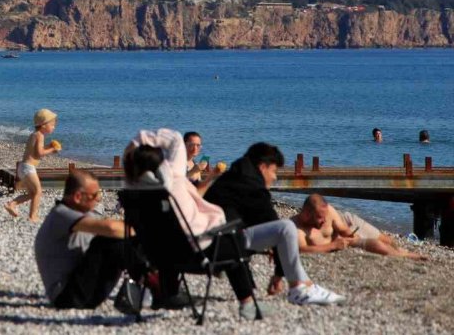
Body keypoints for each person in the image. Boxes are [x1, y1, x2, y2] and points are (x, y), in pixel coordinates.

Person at [130, 131, 344, 317]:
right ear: (262, 167)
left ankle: (253, 302)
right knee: (284, 227)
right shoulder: (176, 182)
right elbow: (175, 139)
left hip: (168, 255)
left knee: (234, 236)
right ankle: (298, 287)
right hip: (204, 249)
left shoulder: (138, 190)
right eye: (274, 171)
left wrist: (131, 151)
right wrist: (278, 274)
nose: (276, 177)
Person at [34, 169, 147, 310]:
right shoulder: (60, 215)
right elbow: (111, 228)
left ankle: (151, 280)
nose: (98, 199)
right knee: (109, 242)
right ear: (77, 197)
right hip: (66, 297)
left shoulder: (77, 214)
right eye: (94, 195)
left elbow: (112, 227)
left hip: (80, 291)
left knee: (118, 239)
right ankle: (152, 282)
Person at [292, 194, 427, 260]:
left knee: (387, 240)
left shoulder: (328, 211)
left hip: (348, 222)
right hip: (338, 242)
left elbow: (342, 227)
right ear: (308, 213)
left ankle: (402, 251)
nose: (323, 220)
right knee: (378, 245)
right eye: (319, 217)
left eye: (324, 216)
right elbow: (302, 250)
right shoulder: (297, 227)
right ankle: (407, 256)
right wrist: (333, 246)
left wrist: (349, 233)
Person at [5, 109, 61, 223]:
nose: (54, 127)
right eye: (52, 125)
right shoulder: (40, 136)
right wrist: (52, 149)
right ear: (44, 125)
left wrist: (48, 147)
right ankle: (32, 216)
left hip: (23, 167)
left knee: (32, 193)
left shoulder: (34, 135)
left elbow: (35, 152)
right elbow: (39, 153)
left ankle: (12, 204)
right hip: (28, 168)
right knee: (38, 192)